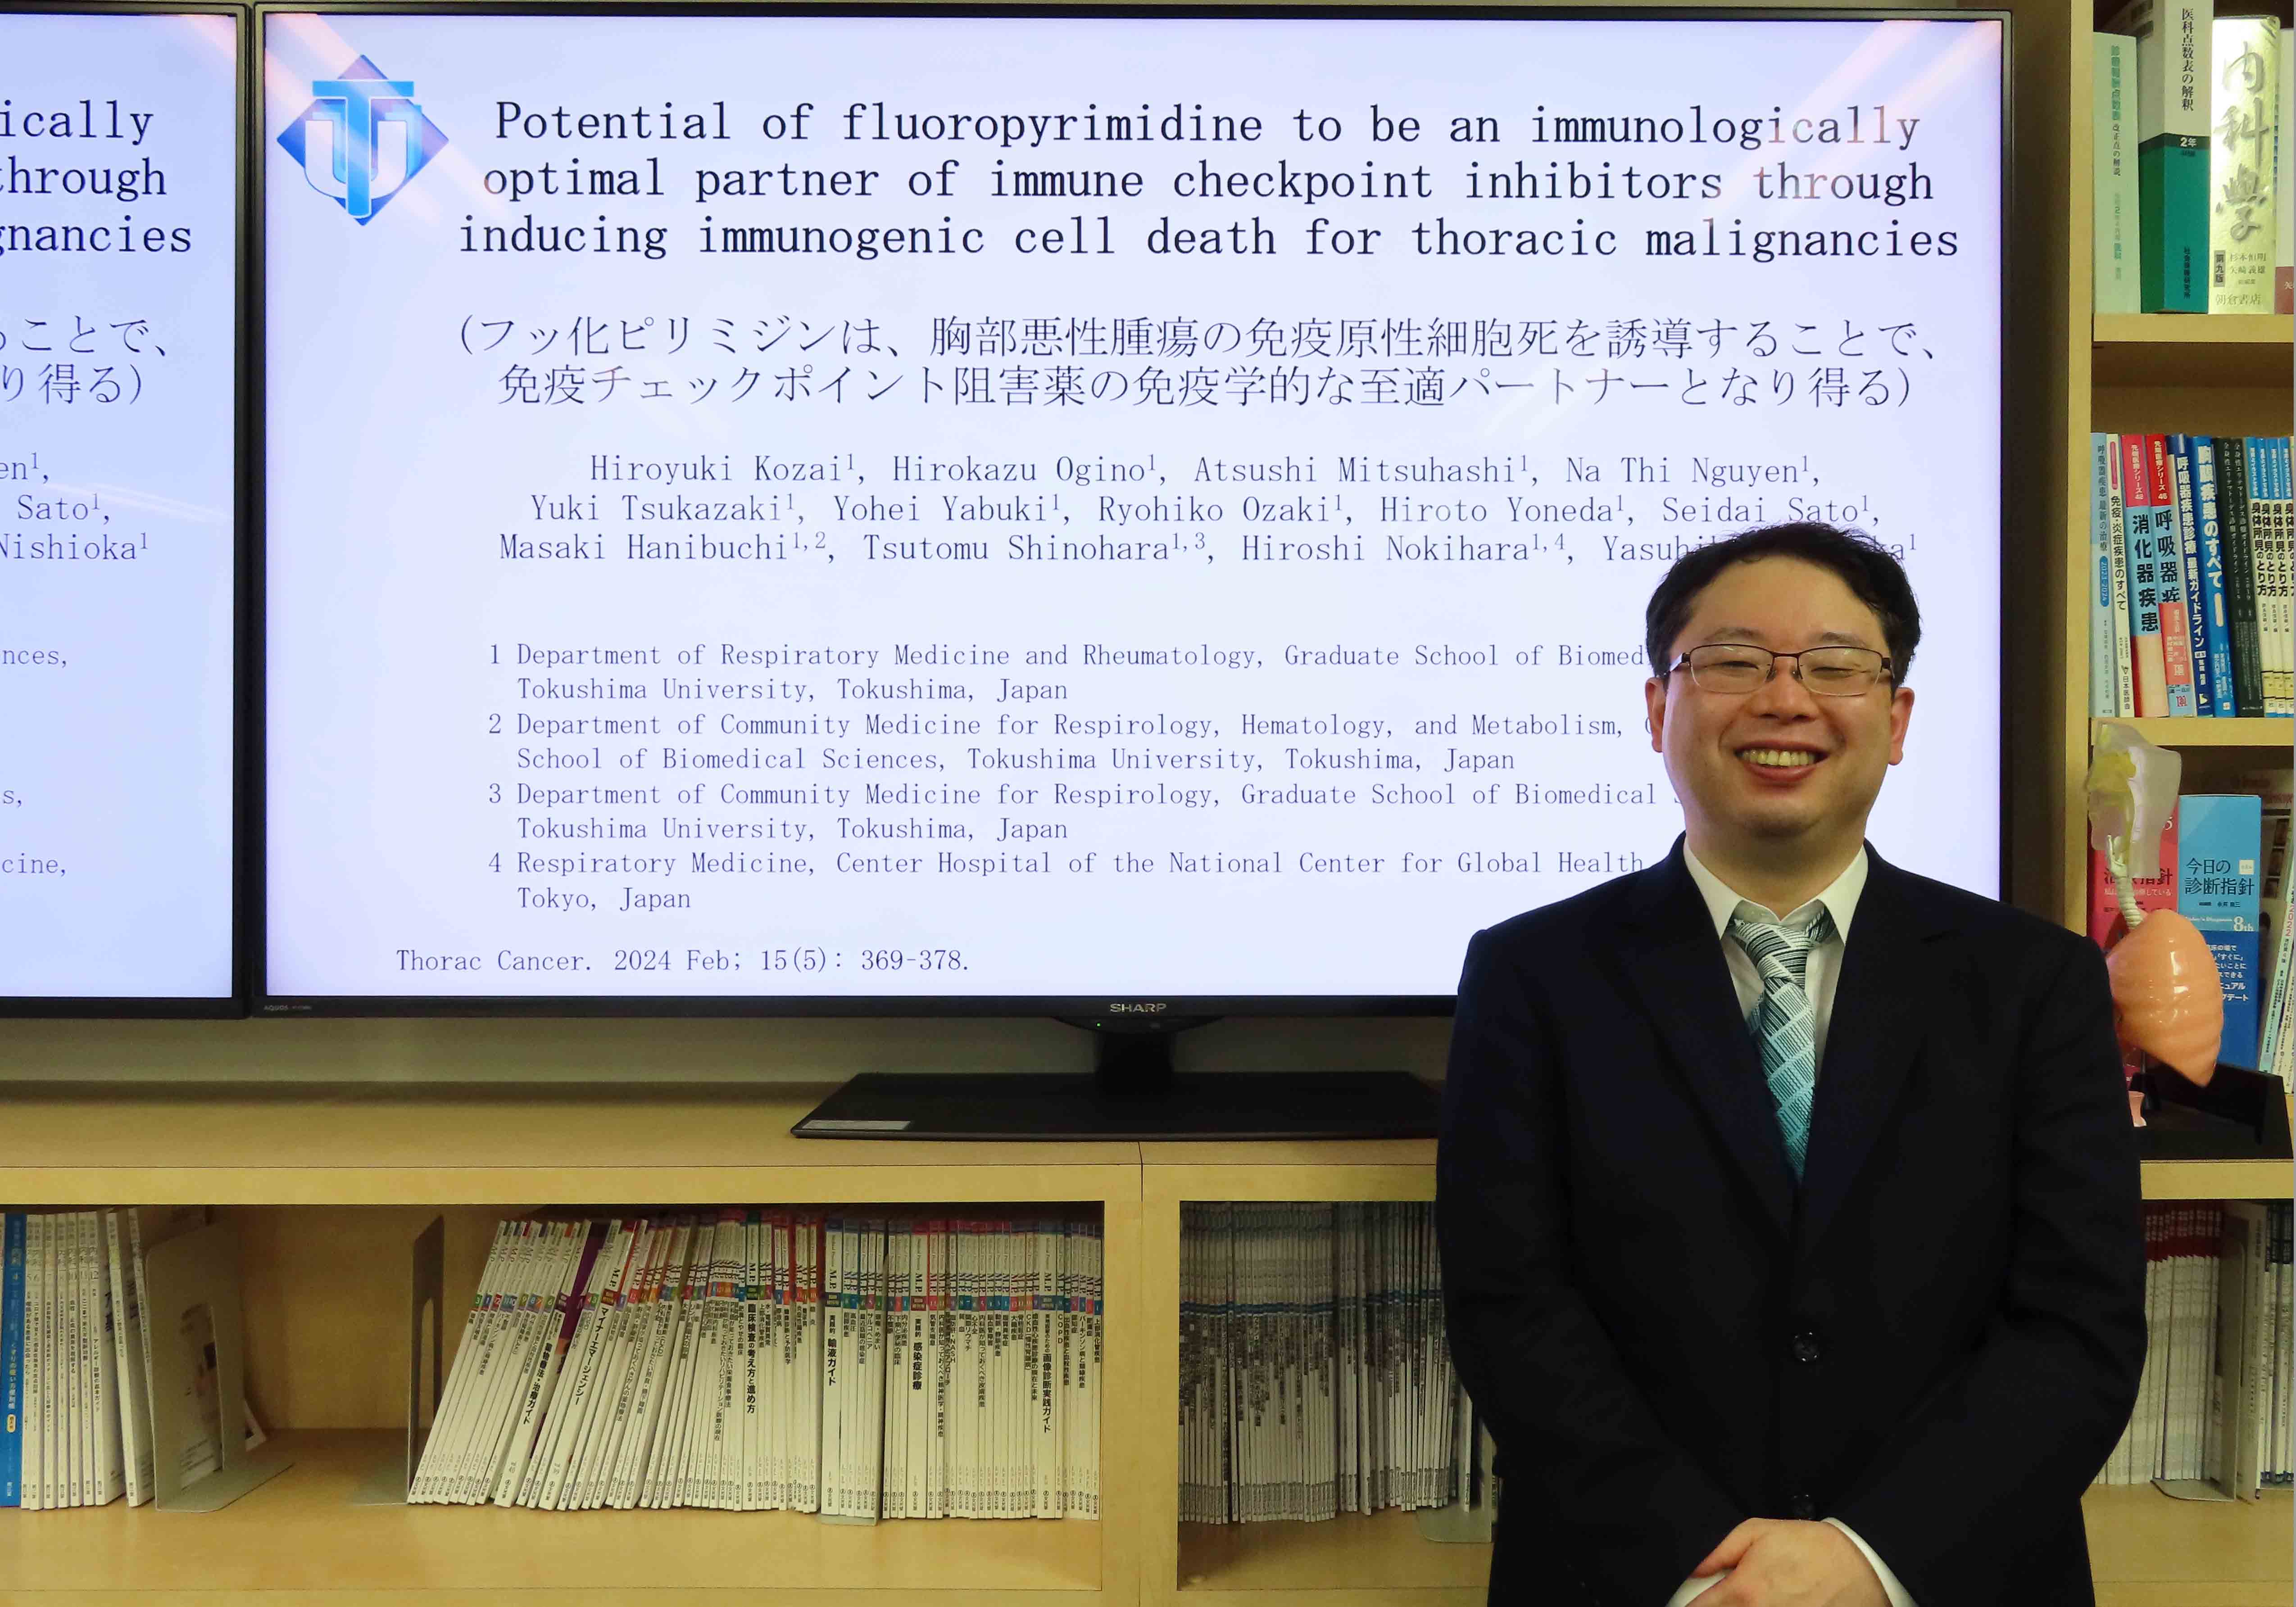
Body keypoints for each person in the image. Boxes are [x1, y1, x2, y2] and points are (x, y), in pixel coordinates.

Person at [1435, 523, 2145, 1607]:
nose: (1782, 700)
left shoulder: (2033, 983)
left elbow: (2076, 1324)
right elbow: (1508, 1307)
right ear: (1656, 709)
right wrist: (1700, 1559)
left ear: (1894, 720)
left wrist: (1869, 1557)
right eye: (1731, 663)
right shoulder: (1531, 974)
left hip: (1953, 1572)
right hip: (1633, 1576)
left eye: (1832, 666)